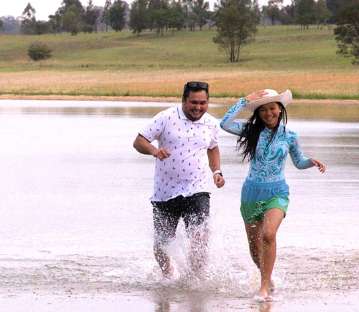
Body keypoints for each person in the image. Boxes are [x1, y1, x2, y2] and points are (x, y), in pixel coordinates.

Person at [218, 89, 328, 297]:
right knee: (255, 250)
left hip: (277, 192)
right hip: (251, 193)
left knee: (268, 235)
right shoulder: (251, 131)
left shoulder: (290, 136)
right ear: (258, 113)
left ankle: (263, 289)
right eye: (263, 109)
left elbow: (298, 162)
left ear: (280, 109)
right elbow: (224, 124)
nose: (268, 113)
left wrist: (310, 162)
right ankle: (267, 279)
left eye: (272, 108)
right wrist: (244, 101)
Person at [132, 81, 225, 278]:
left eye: (202, 103)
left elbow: (212, 147)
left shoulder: (211, 123)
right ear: (183, 100)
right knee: (161, 244)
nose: (198, 107)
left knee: (200, 237)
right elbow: (139, 141)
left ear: (208, 102)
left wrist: (217, 171)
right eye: (193, 102)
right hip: (165, 192)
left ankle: (194, 279)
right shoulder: (166, 117)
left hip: (197, 189)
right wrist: (154, 151)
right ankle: (168, 276)